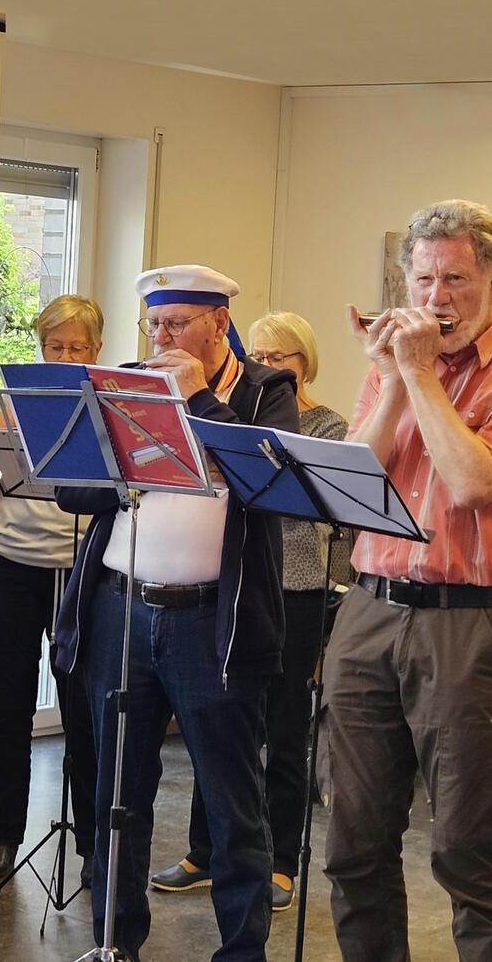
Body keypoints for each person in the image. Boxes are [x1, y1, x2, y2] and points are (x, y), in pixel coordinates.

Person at [324, 199, 492, 961]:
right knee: (353, 843)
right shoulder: (395, 363)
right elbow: (352, 483)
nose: (436, 298)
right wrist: (394, 378)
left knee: (463, 850)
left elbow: (471, 481)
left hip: (466, 620)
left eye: (455, 278)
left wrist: (421, 374)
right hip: (367, 609)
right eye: (423, 278)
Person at [53, 265, 299, 961]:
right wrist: (120, 458)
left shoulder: (264, 391)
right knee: (116, 792)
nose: (161, 337)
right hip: (120, 610)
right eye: (154, 324)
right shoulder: (125, 384)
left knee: (231, 800)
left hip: (211, 623)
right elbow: (74, 493)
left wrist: (195, 403)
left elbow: (266, 484)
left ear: (220, 324)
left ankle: (241, 950)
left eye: (177, 323)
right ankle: (115, 940)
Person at [151, 310, 352, 912]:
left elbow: (326, 517)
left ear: (304, 363)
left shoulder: (325, 424)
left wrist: (336, 590)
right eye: (260, 353)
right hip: (242, 584)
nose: (268, 365)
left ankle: (282, 862)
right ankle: (204, 851)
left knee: (285, 728)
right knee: (216, 722)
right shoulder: (228, 407)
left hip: (298, 587)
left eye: (282, 357)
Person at [0, 295, 102, 884]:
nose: (65, 356)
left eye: (76, 347)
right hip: (10, 565)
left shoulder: (106, 405)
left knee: (85, 708)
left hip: (79, 569)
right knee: (7, 700)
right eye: (54, 347)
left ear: (95, 351)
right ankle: (2, 835)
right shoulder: (11, 404)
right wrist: (2, 421)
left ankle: (94, 844)